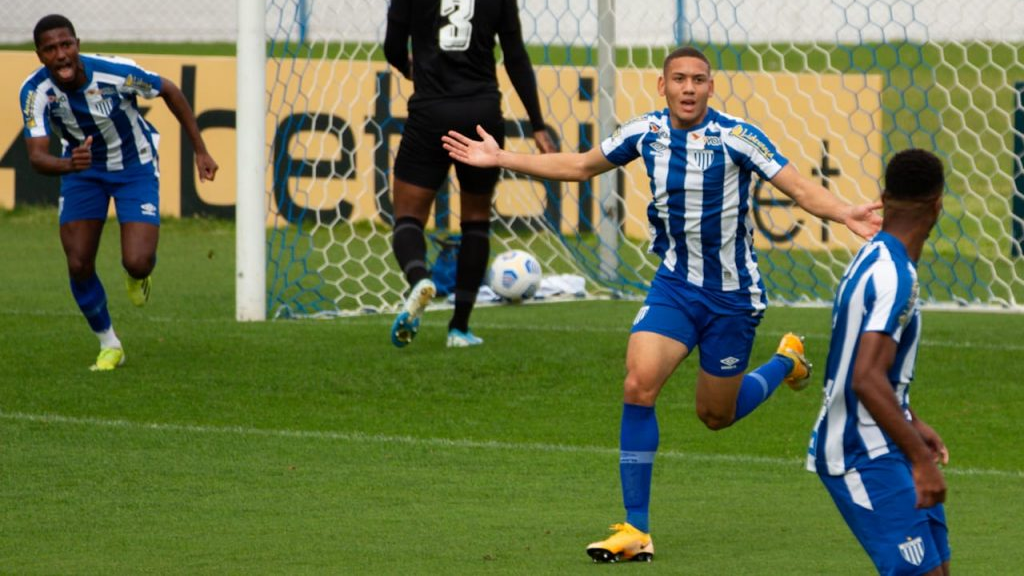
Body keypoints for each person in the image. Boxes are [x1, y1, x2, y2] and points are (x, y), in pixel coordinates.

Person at [443, 46, 883, 562]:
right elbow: (581, 165)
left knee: (715, 416)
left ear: (711, 87)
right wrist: (501, 158)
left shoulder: (736, 138)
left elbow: (799, 188)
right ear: (663, 86)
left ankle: (786, 359)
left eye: (699, 79)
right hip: (675, 286)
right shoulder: (644, 132)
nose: (689, 88)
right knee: (638, 383)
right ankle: (637, 529)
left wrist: (845, 211)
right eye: (680, 79)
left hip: (732, 297)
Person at [19, 14, 218, 371]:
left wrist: (200, 150)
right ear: (39, 55)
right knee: (78, 262)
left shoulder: (115, 73)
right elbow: (36, 156)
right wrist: (71, 165)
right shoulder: (34, 92)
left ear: (77, 44)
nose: (61, 55)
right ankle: (109, 343)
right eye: (50, 49)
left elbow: (169, 89)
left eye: (66, 45)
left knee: (137, 260)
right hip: (82, 172)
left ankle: (138, 275)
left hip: (134, 167)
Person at [805, 149, 949, 575]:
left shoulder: (875, 257)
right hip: (859, 452)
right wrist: (922, 463)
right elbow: (866, 378)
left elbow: (870, 367)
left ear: (884, 198)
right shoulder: (895, 276)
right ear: (937, 204)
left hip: (886, 440)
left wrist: (911, 420)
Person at [383, 0, 557, 349]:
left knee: (408, 215)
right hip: (481, 112)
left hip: (430, 111)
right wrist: (537, 124)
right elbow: (515, 57)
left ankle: (419, 278)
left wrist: (409, 69)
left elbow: (392, 47)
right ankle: (459, 327)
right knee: (476, 219)